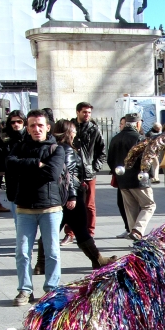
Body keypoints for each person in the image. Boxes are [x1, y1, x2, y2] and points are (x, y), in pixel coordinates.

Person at [35, 119, 117, 271]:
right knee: (80, 229)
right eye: (73, 131)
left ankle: (41, 263)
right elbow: (67, 175)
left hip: (58, 196)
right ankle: (97, 260)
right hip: (71, 197)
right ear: (68, 133)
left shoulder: (52, 147)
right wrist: (72, 196)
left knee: (51, 230)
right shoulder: (66, 150)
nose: (74, 134)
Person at [6, 110, 65, 306]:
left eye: (40, 125)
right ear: (27, 127)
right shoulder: (19, 146)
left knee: (52, 252)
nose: (36, 129)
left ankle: (51, 289)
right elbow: (9, 165)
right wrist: (35, 164)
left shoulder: (57, 149)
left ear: (48, 127)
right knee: (22, 252)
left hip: (50, 208)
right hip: (24, 207)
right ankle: (24, 290)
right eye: (32, 125)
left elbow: (51, 173)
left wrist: (25, 169)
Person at [107, 109, 156, 240]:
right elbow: (146, 159)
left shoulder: (115, 138)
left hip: (122, 180)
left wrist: (117, 174)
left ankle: (135, 236)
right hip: (138, 179)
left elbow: (110, 160)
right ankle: (138, 230)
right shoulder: (139, 138)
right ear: (137, 124)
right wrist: (150, 175)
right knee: (149, 205)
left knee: (131, 209)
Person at [62, 102, 106, 244]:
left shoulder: (94, 129)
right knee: (70, 203)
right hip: (73, 172)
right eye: (84, 112)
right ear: (77, 112)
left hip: (88, 172)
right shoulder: (70, 127)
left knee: (89, 205)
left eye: (89, 112)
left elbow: (102, 151)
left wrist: (94, 167)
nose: (87, 115)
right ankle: (70, 233)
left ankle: (89, 232)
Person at [0, 110, 28, 223]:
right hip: (13, 184)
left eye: (19, 121)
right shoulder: (4, 141)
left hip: (32, 185)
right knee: (19, 221)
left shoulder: (30, 138)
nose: (16, 124)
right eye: (13, 122)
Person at [113, 117, 131, 238]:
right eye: (120, 124)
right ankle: (129, 228)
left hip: (133, 178)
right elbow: (110, 157)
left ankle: (136, 229)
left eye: (123, 124)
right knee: (121, 203)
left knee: (138, 205)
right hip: (121, 176)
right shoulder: (116, 138)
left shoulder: (138, 138)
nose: (121, 126)